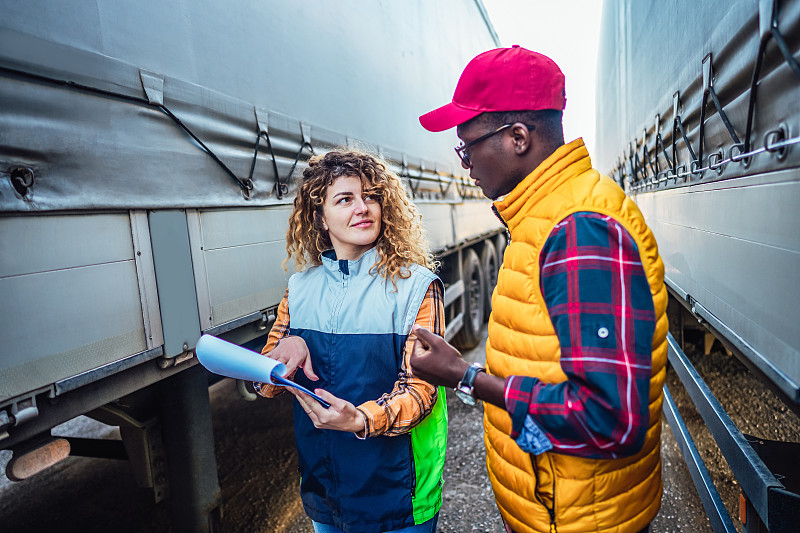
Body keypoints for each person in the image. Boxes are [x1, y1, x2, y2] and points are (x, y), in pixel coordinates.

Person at [410, 46, 668, 533]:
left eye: (467, 147)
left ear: (518, 137)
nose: (465, 164)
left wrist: (467, 377)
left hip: (577, 519)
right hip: (559, 506)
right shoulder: (548, 216)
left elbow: (610, 420)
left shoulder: (579, 231)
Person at [255, 149, 447, 533]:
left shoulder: (416, 286)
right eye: (345, 199)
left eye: (371, 196)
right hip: (324, 490)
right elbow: (265, 386)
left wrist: (360, 419)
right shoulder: (300, 288)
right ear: (320, 217)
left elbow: (422, 392)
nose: (363, 208)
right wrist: (282, 353)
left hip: (399, 492)